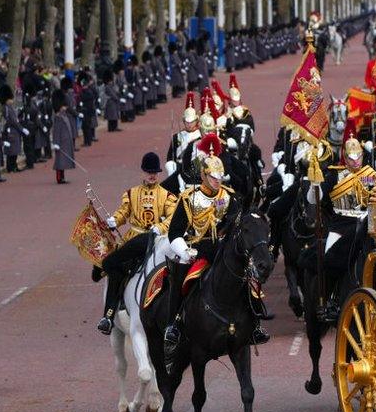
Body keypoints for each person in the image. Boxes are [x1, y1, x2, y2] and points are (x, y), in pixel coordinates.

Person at [160, 140, 269, 350]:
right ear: (203, 175)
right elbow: (174, 233)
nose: (217, 182)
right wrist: (185, 251)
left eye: (220, 178)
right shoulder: (189, 199)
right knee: (180, 276)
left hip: (224, 247)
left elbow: (237, 225)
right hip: (197, 248)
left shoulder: (229, 197)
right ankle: (173, 324)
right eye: (213, 177)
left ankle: (255, 324)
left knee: (249, 276)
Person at [96, 153, 179, 334]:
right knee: (114, 269)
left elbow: (173, 218)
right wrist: (114, 221)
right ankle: (108, 316)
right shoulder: (131, 193)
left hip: (155, 240)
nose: (152, 175)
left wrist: (160, 227)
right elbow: (123, 212)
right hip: (134, 238)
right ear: (143, 172)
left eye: (155, 172)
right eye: (149, 172)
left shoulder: (167, 196)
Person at [52, 89, 76, 184]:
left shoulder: (64, 115)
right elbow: (56, 131)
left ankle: (62, 177)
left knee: (64, 160)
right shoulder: (58, 117)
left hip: (65, 141)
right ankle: (59, 177)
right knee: (60, 161)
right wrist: (56, 143)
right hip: (61, 141)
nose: (65, 108)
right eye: (63, 106)